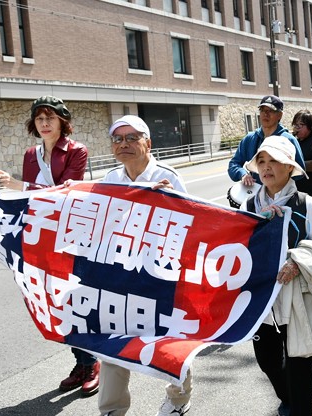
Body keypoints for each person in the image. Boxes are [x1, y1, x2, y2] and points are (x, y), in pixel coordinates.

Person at [0, 96, 99, 396]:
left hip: (71, 235)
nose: (44, 123)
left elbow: (66, 192)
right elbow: (26, 202)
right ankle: (81, 362)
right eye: (39, 118)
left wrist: (20, 186)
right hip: (41, 236)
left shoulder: (76, 150)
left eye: (50, 118)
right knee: (53, 302)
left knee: (74, 299)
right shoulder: (31, 154)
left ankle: (91, 363)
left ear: (62, 122)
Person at [97, 115, 192, 416]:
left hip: (161, 277)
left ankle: (179, 399)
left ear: (148, 143)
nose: (123, 144)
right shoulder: (109, 180)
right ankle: (112, 409)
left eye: (132, 137)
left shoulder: (168, 177)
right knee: (112, 345)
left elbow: (193, 226)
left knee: (171, 342)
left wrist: (168, 201)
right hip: (119, 276)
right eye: (117, 139)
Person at [242, 135, 312, 416]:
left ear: (289, 167)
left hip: (298, 298)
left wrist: (296, 262)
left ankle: (301, 409)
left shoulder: (307, 204)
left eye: (274, 161)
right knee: (267, 361)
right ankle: (288, 398)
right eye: (262, 161)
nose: (266, 168)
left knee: (299, 363)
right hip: (262, 301)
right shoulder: (249, 206)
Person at [228, 95, 305, 188]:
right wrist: (243, 174)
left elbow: (300, 171)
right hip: (256, 195)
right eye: (262, 110)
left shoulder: (288, 140)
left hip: (281, 196)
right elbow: (233, 164)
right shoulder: (249, 138)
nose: (265, 114)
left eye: (271, 111)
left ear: (280, 115)